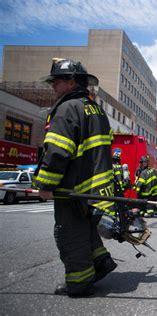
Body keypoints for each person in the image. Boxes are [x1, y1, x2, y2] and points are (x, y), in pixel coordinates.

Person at [34, 58, 117, 297]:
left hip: (73, 187)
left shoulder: (67, 108)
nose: (53, 86)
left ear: (71, 81)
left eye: (57, 80)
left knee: (69, 233)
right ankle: (101, 263)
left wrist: (46, 184)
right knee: (85, 229)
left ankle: (79, 283)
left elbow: (58, 150)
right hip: (93, 186)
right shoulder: (95, 109)